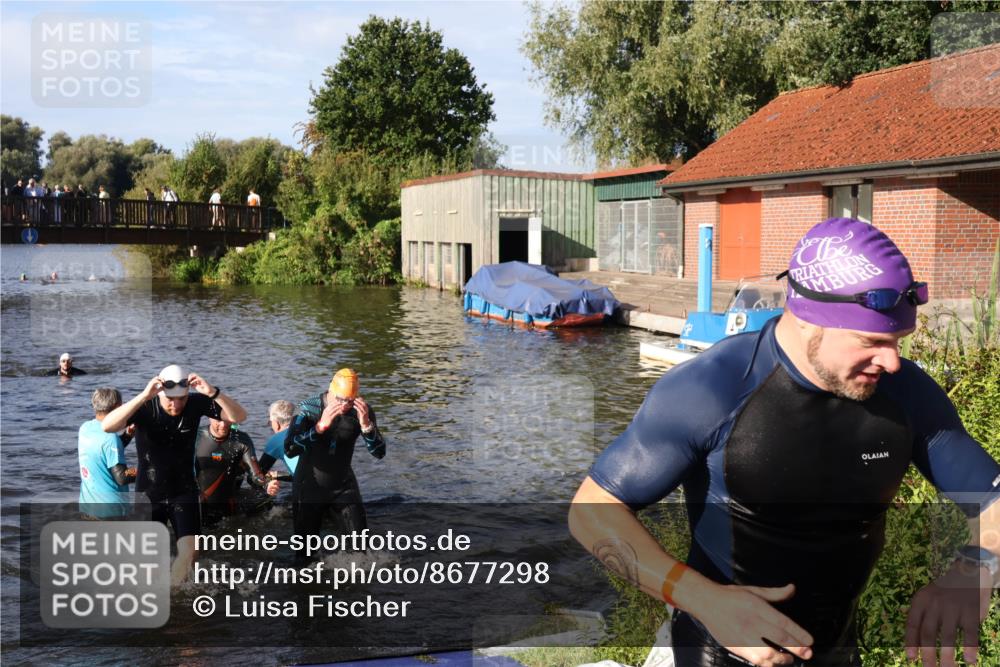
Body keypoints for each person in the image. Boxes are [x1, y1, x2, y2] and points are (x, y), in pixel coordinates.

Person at [570, 217, 1000, 667]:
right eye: (872, 341)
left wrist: (974, 569)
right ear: (811, 318)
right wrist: (702, 598)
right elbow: (592, 512)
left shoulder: (906, 394)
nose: (892, 361)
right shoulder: (712, 389)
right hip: (716, 652)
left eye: (897, 341)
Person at [101, 364, 247, 584]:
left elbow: (239, 417)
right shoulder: (146, 407)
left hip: (184, 491)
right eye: (170, 399)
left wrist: (213, 393)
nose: (176, 404)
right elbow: (108, 426)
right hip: (148, 494)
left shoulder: (197, 403)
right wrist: (142, 396)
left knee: (191, 553)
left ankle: (173, 596)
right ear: (160, 391)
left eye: (182, 398)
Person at [285, 369, 385, 553]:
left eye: (350, 400)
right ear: (331, 390)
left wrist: (367, 427)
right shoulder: (309, 408)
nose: (345, 405)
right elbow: (290, 449)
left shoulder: (362, 410)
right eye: (340, 399)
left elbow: (379, 453)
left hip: (344, 486)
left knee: (362, 552)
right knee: (305, 557)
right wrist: (319, 428)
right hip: (309, 487)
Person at [195, 417, 278, 526]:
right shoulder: (196, 437)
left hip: (227, 507)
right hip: (197, 505)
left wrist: (267, 483)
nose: (223, 424)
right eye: (218, 420)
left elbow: (255, 475)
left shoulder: (242, 440)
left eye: (227, 420)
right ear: (209, 417)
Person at [79, 388, 136, 519]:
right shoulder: (110, 438)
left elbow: (105, 454)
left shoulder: (85, 428)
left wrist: (127, 436)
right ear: (117, 407)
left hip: (87, 507)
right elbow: (122, 477)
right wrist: (142, 471)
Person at [260, 399, 298, 478]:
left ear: (276, 423)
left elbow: (258, 476)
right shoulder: (310, 431)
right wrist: (277, 475)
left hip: (307, 487)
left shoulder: (277, 441)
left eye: (270, 422)